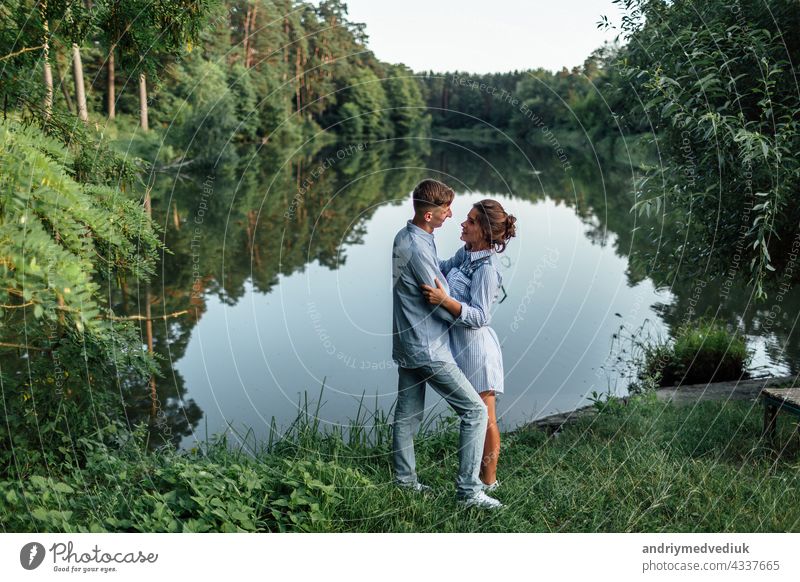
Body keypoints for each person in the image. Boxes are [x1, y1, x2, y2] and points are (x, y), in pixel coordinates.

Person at [391, 179, 502, 509]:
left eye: (464, 216)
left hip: (408, 341)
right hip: (427, 346)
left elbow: (441, 274)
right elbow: (437, 294)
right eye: (447, 210)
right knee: (475, 412)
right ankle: (468, 493)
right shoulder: (417, 246)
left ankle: (404, 484)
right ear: (429, 215)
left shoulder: (410, 237)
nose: (452, 216)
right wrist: (452, 294)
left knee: (407, 417)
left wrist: (460, 267)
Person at [421, 199, 516, 491]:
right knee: (473, 416)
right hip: (459, 349)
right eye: (467, 218)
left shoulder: (487, 268)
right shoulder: (466, 255)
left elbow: (480, 316)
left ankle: (488, 483)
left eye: (472, 221)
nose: (463, 224)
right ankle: (474, 480)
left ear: (486, 231)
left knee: (486, 419)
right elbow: (439, 268)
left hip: (478, 352)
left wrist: (445, 301)